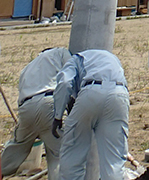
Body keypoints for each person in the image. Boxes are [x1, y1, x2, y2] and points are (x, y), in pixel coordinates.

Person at [52, 49, 129, 180]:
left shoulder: (74, 59)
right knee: (114, 161)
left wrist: (58, 116)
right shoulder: (112, 58)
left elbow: (64, 83)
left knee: (73, 154)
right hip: (120, 94)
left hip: (90, 93)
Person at [1, 47, 72, 180]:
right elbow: (70, 78)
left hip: (26, 108)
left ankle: (2, 169)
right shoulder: (60, 53)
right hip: (49, 103)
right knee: (58, 154)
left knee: (17, 146)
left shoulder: (28, 68)